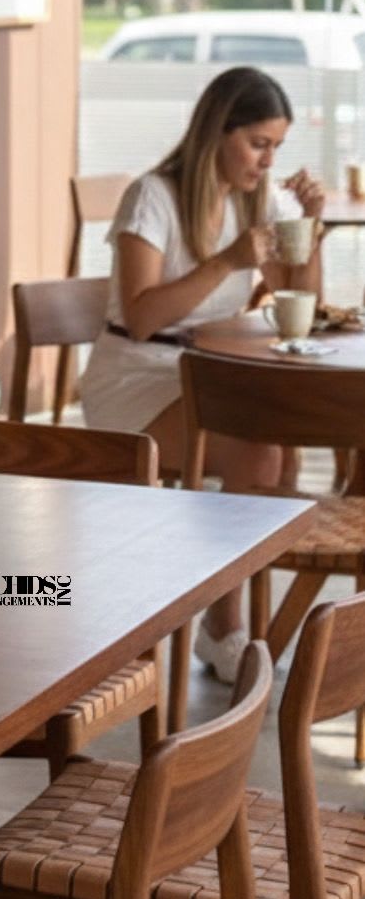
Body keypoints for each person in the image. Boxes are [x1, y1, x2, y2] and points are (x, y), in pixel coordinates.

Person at [80, 65, 324, 682]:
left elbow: (302, 304)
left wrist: (311, 233)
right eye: (259, 143)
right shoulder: (152, 197)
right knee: (258, 450)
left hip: (199, 373)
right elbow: (139, 317)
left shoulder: (255, 201)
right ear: (220, 130)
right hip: (135, 376)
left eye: (276, 148)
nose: (267, 161)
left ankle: (230, 614)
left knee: (277, 449)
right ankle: (224, 626)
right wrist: (227, 261)